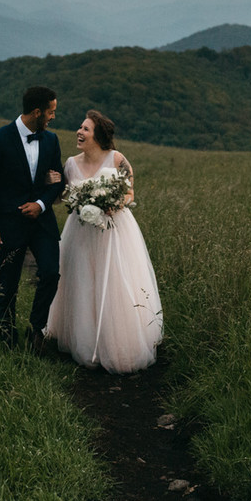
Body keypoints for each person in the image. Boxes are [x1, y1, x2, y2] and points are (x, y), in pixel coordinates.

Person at [46, 110, 163, 373]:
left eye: (85, 129)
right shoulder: (70, 164)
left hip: (114, 231)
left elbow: (130, 192)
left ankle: (117, 343)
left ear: (98, 135)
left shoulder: (118, 159)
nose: (79, 132)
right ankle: (85, 342)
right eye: (80, 127)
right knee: (82, 282)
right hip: (81, 233)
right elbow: (61, 197)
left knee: (114, 283)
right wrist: (49, 183)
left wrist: (113, 204)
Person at [0, 86, 65, 353]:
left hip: (42, 224)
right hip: (7, 226)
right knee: (7, 286)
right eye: (51, 112)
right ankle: (6, 344)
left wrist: (41, 204)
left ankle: (36, 331)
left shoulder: (51, 140)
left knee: (50, 273)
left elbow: (56, 179)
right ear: (37, 112)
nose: (53, 117)